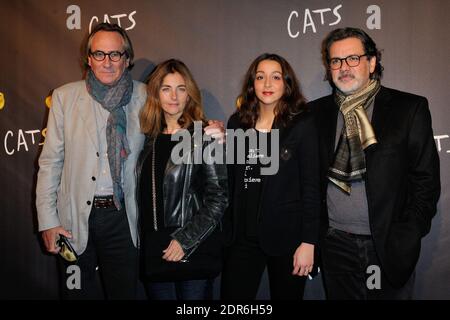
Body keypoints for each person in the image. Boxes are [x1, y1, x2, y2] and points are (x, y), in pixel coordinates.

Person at [36, 23, 224, 300]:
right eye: (99, 54)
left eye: (116, 54)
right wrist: (48, 221)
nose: (108, 62)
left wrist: (213, 130)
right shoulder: (64, 97)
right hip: (74, 220)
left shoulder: (146, 96)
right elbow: (51, 162)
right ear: (88, 58)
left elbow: (176, 127)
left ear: (127, 59)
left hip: (125, 220)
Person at [309, 27, 441, 299]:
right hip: (335, 245)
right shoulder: (315, 113)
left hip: (386, 246)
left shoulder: (409, 109)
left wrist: (408, 233)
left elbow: (426, 180)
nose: (344, 67)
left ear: (371, 62)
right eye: (336, 61)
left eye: (353, 58)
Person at [221, 53, 321, 300]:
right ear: (251, 84)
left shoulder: (302, 124)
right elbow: (233, 179)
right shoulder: (237, 123)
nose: (267, 85)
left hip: (287, 238)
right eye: (260, 77)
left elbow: (311, 187)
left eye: (275, 77)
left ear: (286, 84)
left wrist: (309, 242)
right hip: (242, 238)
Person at [136, 59, 228, 300]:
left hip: (192, 248)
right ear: (156, 93)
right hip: (155, 249)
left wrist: (184, 241)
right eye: (166, 88)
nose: (174, 96)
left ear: (190, 94)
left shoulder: (204, 136)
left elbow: (218, 198)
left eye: (181, 88)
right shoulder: (148, 141)